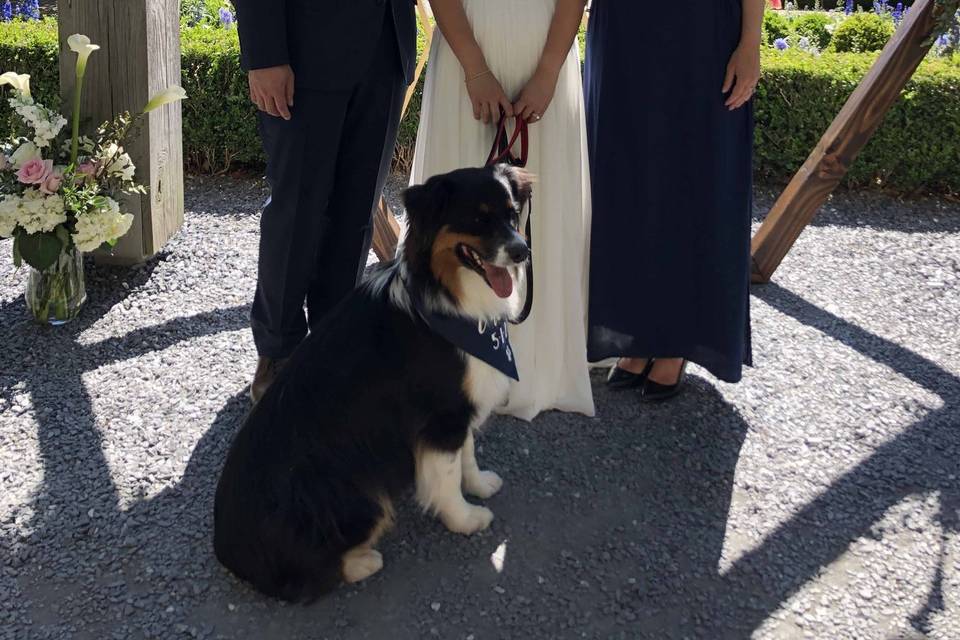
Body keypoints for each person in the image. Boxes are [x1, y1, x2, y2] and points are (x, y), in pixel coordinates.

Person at [411, 0, 595, 421]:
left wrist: (548, 73)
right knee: (455, 212)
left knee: (541, 211)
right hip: (466, 51)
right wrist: (475, 70)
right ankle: (449, 361)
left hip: (545, 50)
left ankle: (540, 363)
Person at [232, 0, 418, 403]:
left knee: (357, 212)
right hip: (303, 52)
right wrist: (264, 54)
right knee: (296, 212)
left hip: (387, 47)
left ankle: (336, 340)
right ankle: (278, 350)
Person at [584, 0, 762, 401]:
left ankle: (677, 341)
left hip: (701, 35)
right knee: (623, 181)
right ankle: (636, 334)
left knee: (693, 178)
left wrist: (750, 42)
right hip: (622, 34)